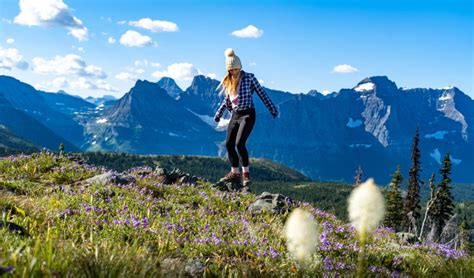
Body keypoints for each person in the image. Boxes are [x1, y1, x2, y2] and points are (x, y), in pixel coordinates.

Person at [214, 48, 279, 187]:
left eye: (236, 69)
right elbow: (227, 100)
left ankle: (246, 174)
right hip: (235, 115)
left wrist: (272, 109)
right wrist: (218, 114)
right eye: (231, 70)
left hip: (248, 114)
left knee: (239, 144)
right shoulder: (229, 81)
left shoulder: (249, 78)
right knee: (229, 144)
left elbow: (262, 94)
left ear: (240, 67)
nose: (234, 72)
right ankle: (235, 173)